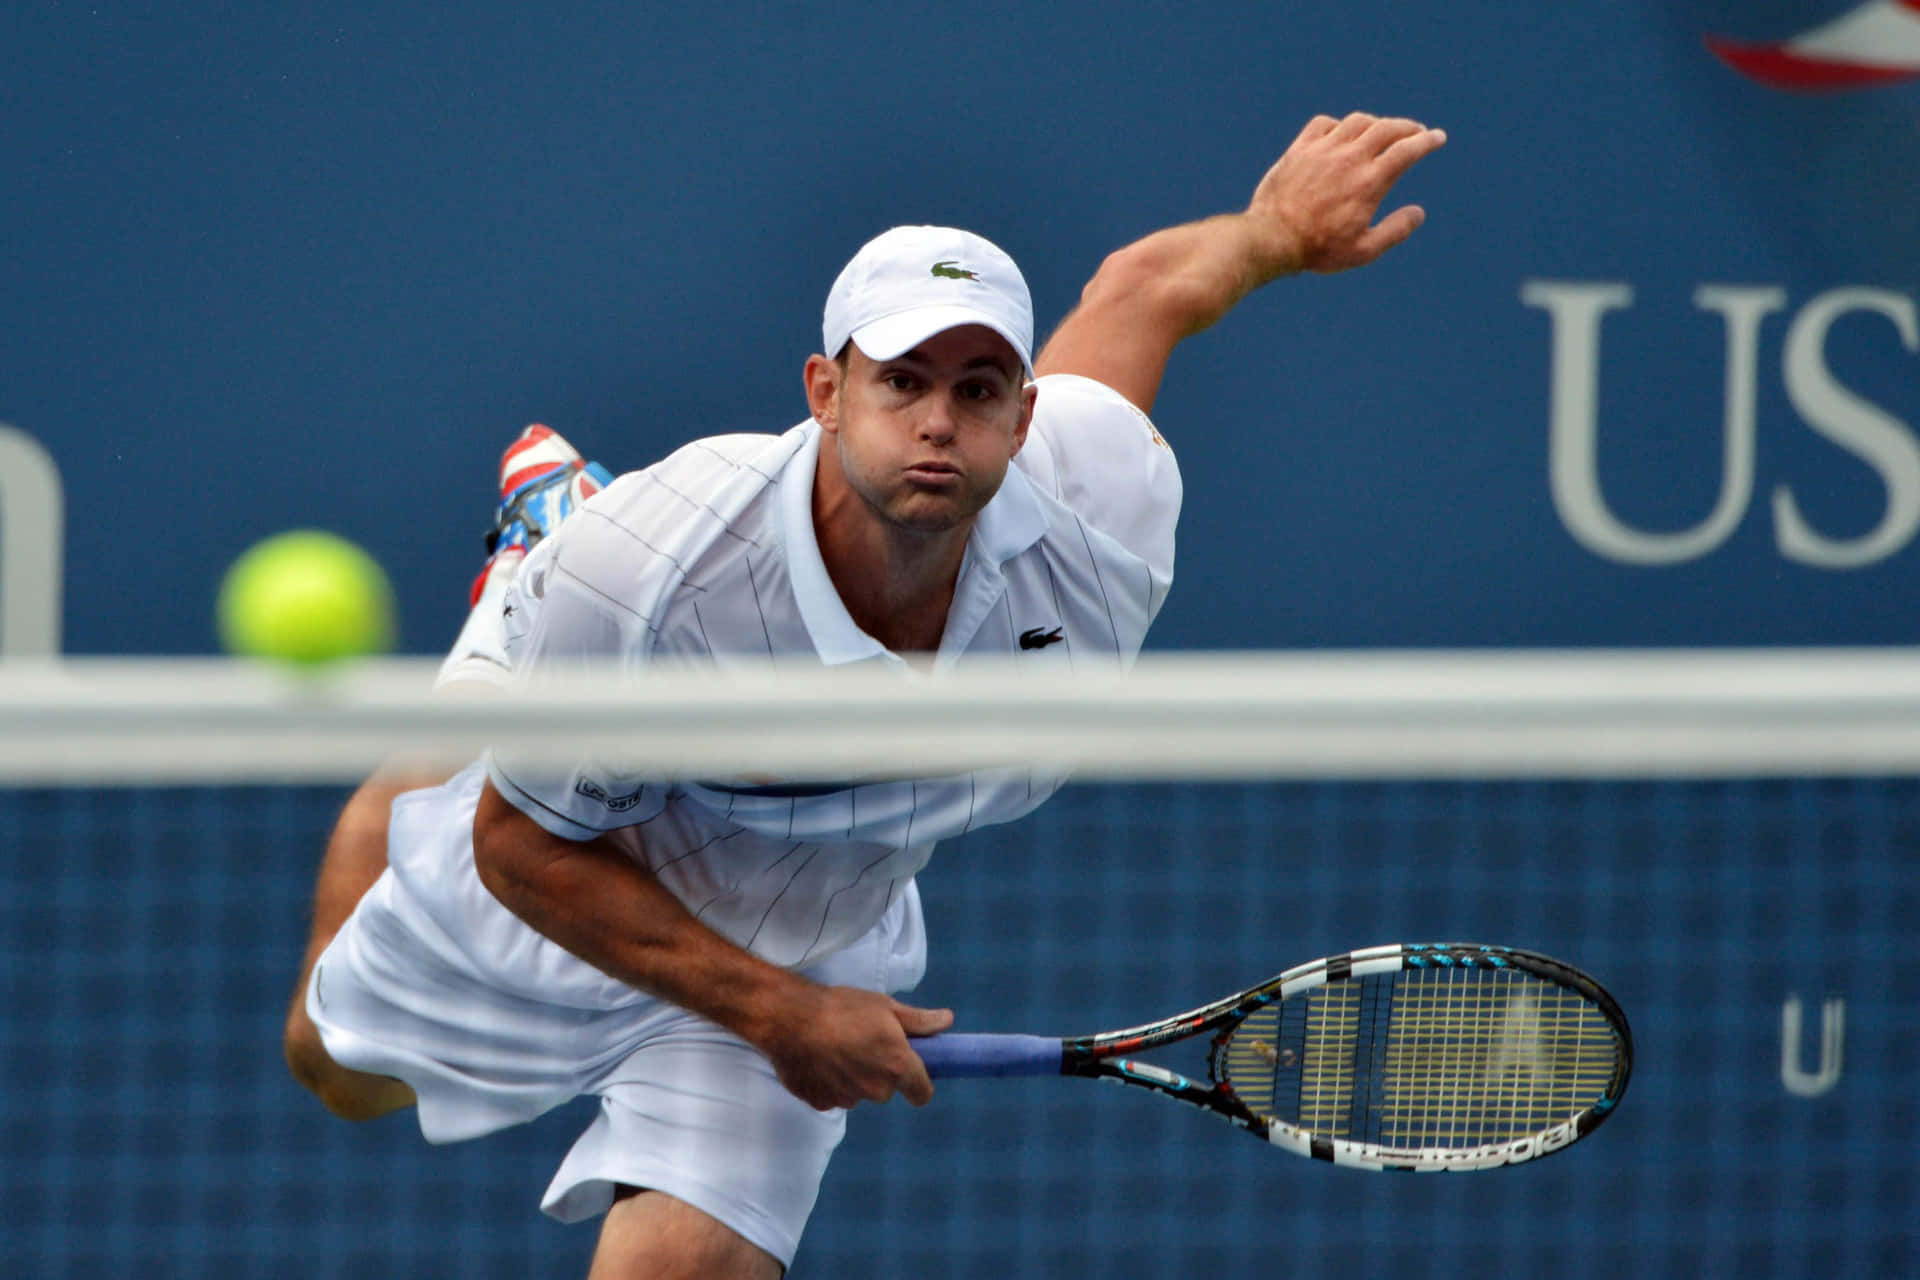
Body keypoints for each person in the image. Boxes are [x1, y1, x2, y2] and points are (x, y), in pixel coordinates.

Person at [283, 111, 1447, 1278]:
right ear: (825, 392)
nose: (939, 419)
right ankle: (490, 663)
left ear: (1024, 414)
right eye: (902, 380)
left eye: (979, 386)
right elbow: (521, 850)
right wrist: (781, 1013)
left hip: (810, 934)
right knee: (334, 1073)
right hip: (574, 873)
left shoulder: (1096, 507)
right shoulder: (653, 572)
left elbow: (1142, 291)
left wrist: (1272, 231)